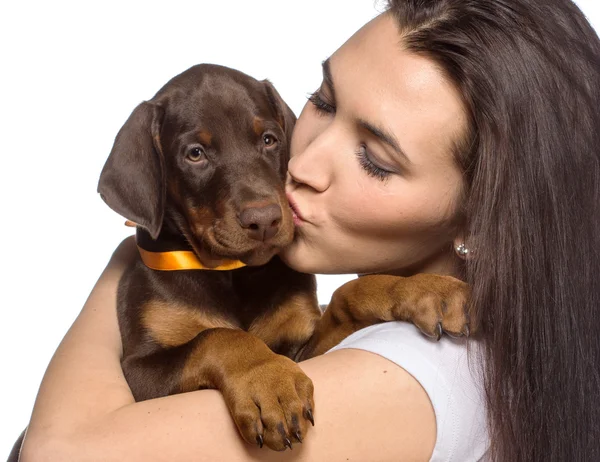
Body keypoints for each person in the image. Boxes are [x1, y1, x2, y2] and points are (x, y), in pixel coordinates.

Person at [17, 0, 600, 460]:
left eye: (374, 158)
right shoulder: (444, 344)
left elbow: (59, 453)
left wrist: (127, 262)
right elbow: (303, 363)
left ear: (482, 212)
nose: (300, 166)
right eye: (321, 102)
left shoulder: (414, 379)